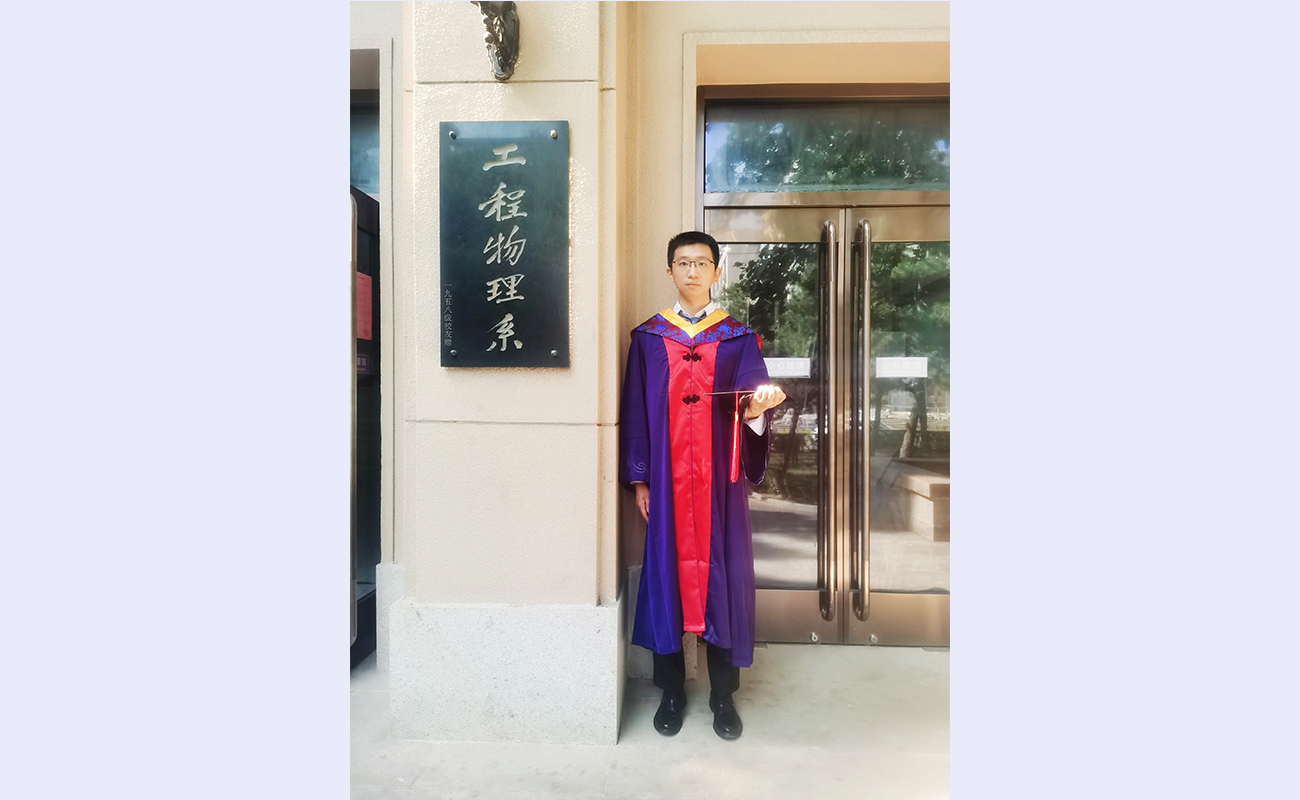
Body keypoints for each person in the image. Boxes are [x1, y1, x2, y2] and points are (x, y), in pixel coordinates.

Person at [619, 230, 786, 740]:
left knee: (723, 582)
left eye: (702, 262)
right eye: (683, 262)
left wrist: (757, 411)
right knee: (666, 580)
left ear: (716, 271)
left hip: (718, 487)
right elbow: (635, 413)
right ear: (669, 270)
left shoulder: (737, 338)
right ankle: (671, 692)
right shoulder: (649, 339)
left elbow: (751, 405)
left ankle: (722, 697)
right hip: (667, 485)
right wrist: (640, 479)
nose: (692, 271)